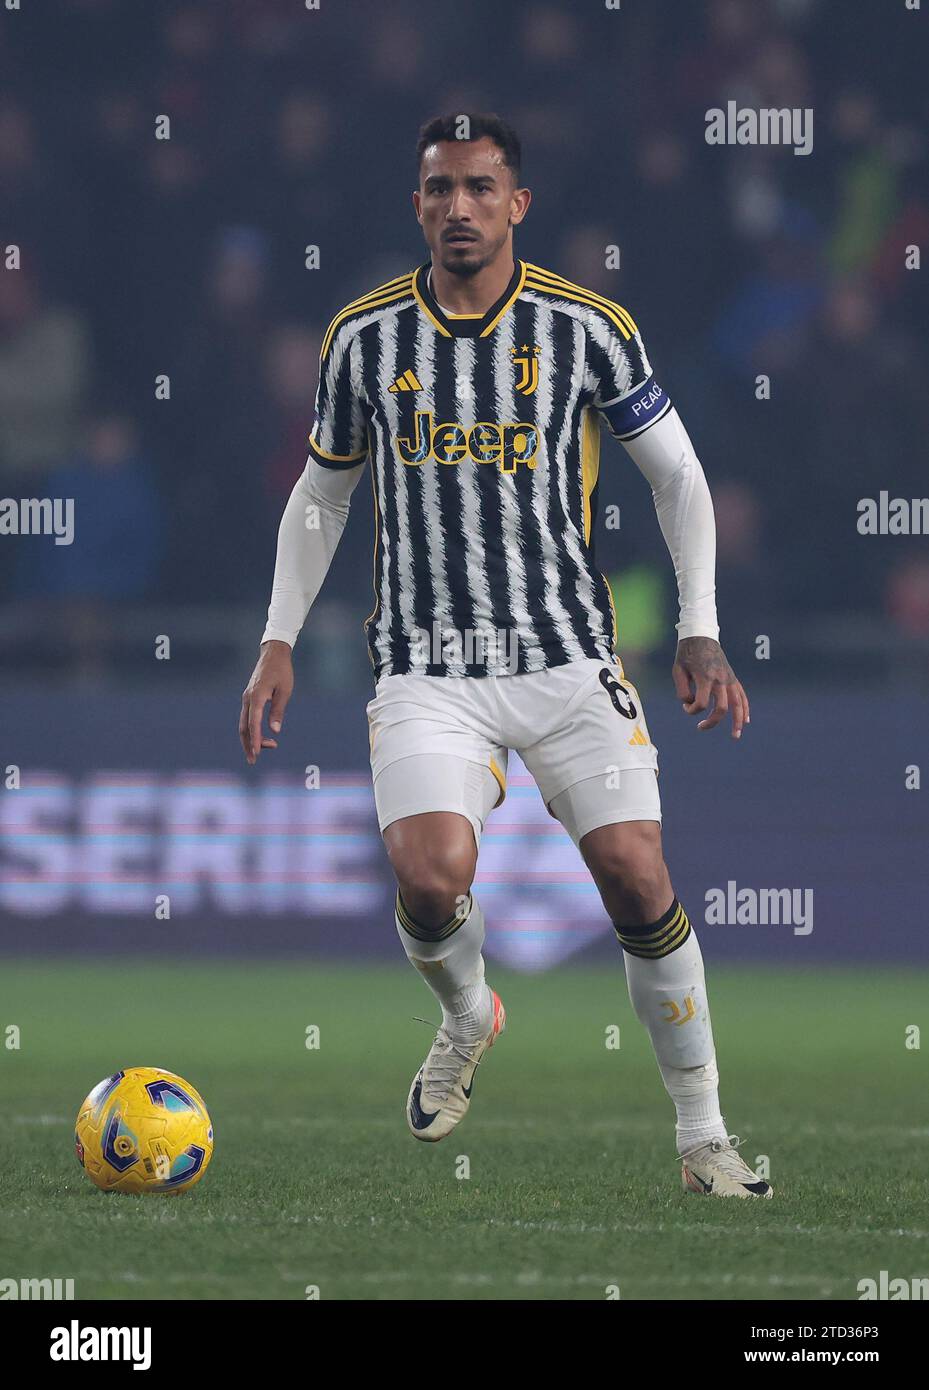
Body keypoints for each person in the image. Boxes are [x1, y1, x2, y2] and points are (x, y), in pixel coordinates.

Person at [240, 113, 770, 1199]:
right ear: (418, 205)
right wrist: (276, 640)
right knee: (429, 877)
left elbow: (675, 474)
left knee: (635, 876)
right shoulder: (364, 338)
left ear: (516, 204)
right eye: (438, 189)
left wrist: (700, 625)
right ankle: (468, 1010)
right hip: (427, 664)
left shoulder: (587, 328)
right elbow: (322, 491)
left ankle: (702, 1136)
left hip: (566, 654)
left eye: (480, 187)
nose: (458, 208)